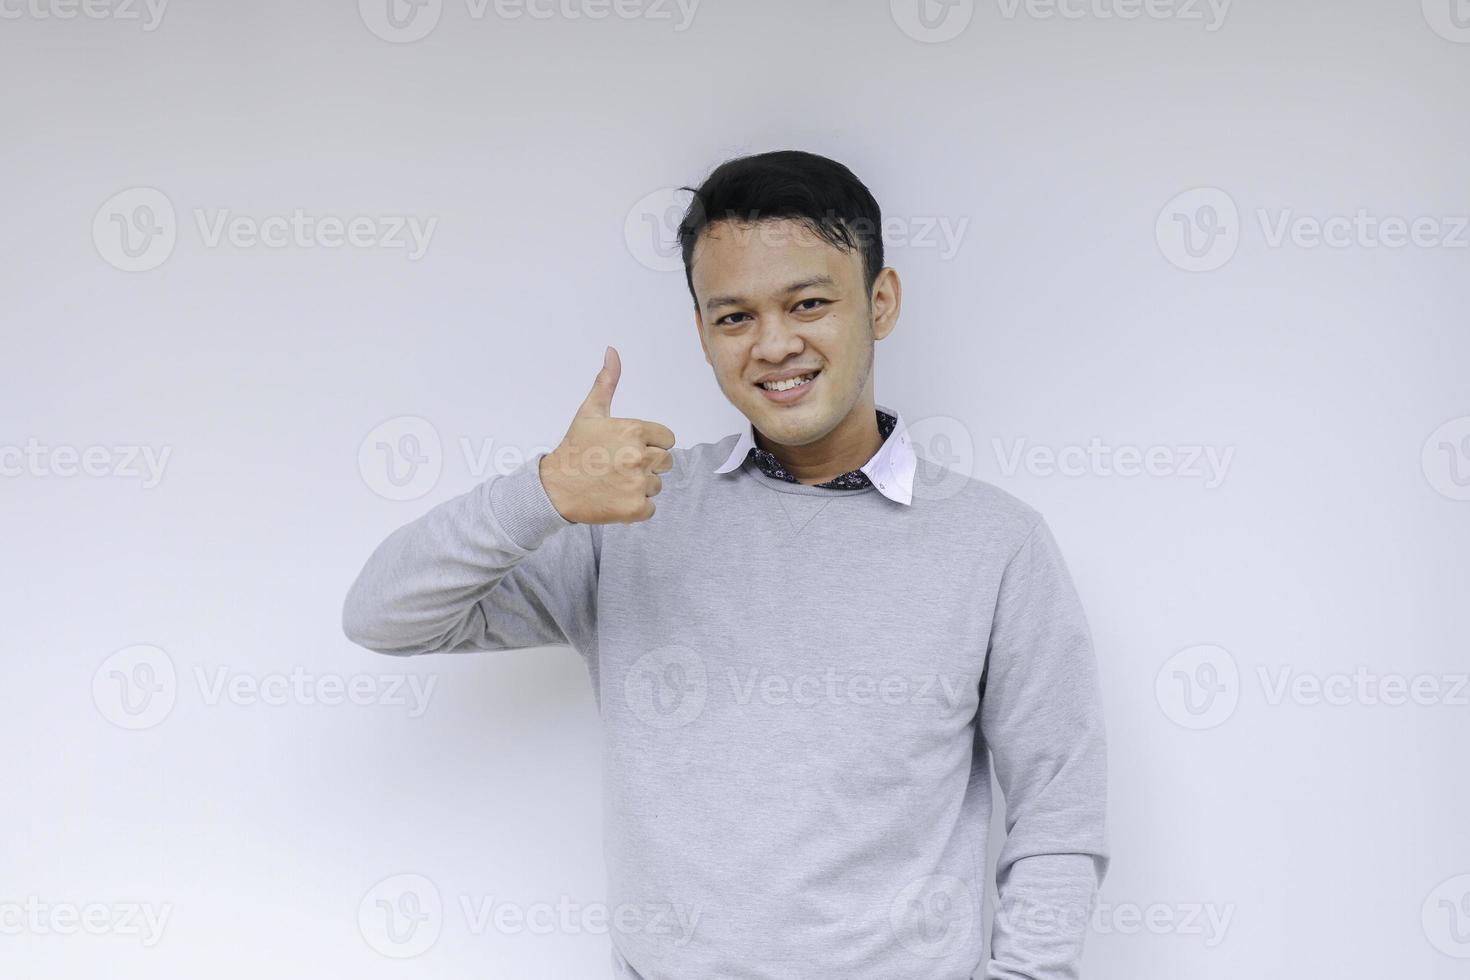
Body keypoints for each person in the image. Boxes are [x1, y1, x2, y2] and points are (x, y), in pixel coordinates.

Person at [342, 149, 1109, 980]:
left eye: (809, 302)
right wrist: (545, 491)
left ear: (879, 303)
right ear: (702, 332)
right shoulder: (634, 516)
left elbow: (1057, 813)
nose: (775, 345)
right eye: (734, 317)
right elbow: (383, 614)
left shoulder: (996, 544)